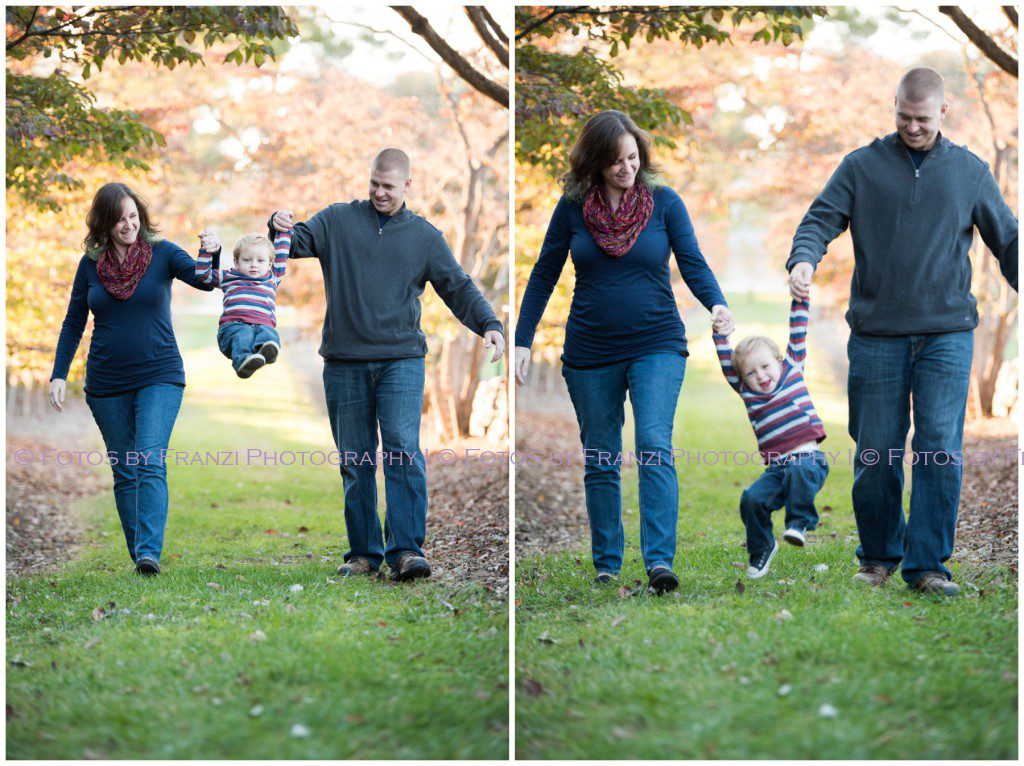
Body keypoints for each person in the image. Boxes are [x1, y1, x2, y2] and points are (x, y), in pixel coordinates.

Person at [787, 67, 1018, 596]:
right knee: (876, 451)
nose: (912, 127)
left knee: (939, 448)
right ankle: (878, 556)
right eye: (903, 117)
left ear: (943, 113)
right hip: (877, 335)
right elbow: (818, 220)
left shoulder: (970, 171)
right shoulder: (861, 167)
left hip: (947, 335)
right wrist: (804, 259)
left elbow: (1009, 242)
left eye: (922, 119)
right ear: (893, 107)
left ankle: (929, 566)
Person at [514, 110, 734, 594]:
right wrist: (522, 340)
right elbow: (544, 274)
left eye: (633, 157)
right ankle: (607, 564)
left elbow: (692, 262)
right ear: (594, 163)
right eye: (615, 162)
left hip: (657, 342)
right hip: (590, 350)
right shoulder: (572, 208)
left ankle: (659, 562)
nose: (626, 168)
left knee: (654, 443)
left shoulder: (664, 203)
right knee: (601, 457)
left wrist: (716, 303)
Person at [269, 148, 505, 582]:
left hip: (401, 359)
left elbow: (457, 286)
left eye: (389, 186)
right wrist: (278, 224)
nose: (379, 192)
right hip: (344, 361)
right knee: (355, 459)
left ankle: (406, 551)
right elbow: (296, 240)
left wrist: (489, 323)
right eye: (374, 183)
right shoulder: (337, 220)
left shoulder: (425, 237)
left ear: (408, 186)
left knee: (401, 449)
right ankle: (363, 554)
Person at [49, 182, 221, 575]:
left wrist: (210, 252)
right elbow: (74, 320)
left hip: (160, 374)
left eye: (132, 216)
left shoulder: (162, 254)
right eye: (119, 219)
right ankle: (139, 555)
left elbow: (206, 280)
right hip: (106, 382)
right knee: (125, 469)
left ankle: (149, 553)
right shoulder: (90, 264)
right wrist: (59, 374)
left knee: (148, 459)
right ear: (104, 224)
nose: (128, 225)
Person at [713, 298, 829, 579]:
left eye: (765, 366)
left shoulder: (792, 370)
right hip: (777, 469)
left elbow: (798, 330)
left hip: (808, 459)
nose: (761, 375)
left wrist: (799, 298)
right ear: (742, 378)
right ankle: (763, 546)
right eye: (751, 373)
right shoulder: (747, 392)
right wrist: (720, 335)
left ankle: (799, 524)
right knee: (752, 499)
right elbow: (727, 363)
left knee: (800, 471)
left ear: (778, 361)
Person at [196, 224, 292, 378]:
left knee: (268, 332)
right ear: (236, 262)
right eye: (247, 260)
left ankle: (265, 350)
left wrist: (284, 229)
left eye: (260, 261)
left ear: (269, 264)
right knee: (244, 333)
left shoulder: (272, 277)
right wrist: (205, 251)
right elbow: (203, 275)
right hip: (232, 330)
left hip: (261, 328)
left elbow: (281, 254)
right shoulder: (229, 277)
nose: (254, 264)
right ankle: (243, 362)